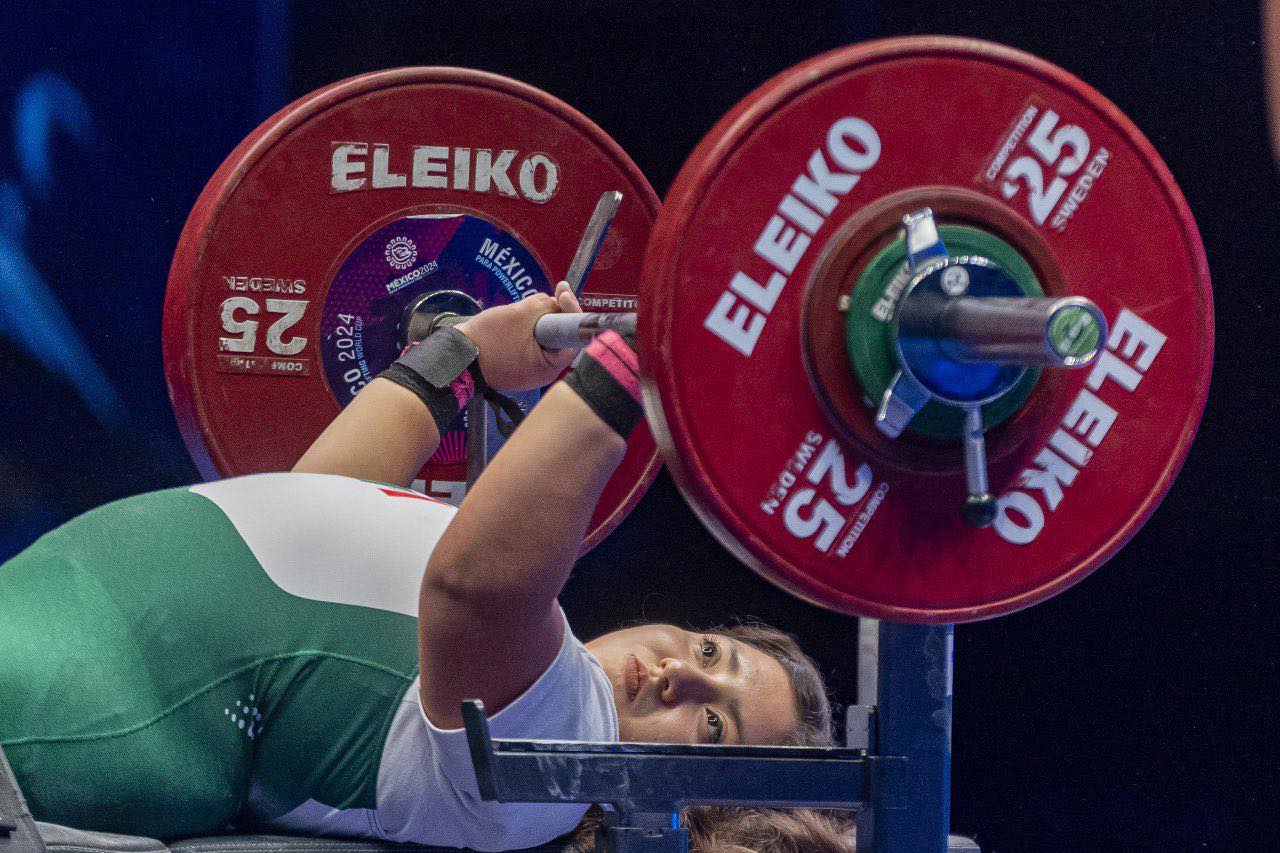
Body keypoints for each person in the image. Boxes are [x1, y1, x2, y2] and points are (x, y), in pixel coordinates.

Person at [0, 283, 854, 851]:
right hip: (55, 638)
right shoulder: (537, 670)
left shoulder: (550, 767)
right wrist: (466, 354)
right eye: (710, 654)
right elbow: (320, 502)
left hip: (72, 716)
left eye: (712, 726)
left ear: (684, 807)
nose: (678, 677)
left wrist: (645, 355)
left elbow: (477, 586)